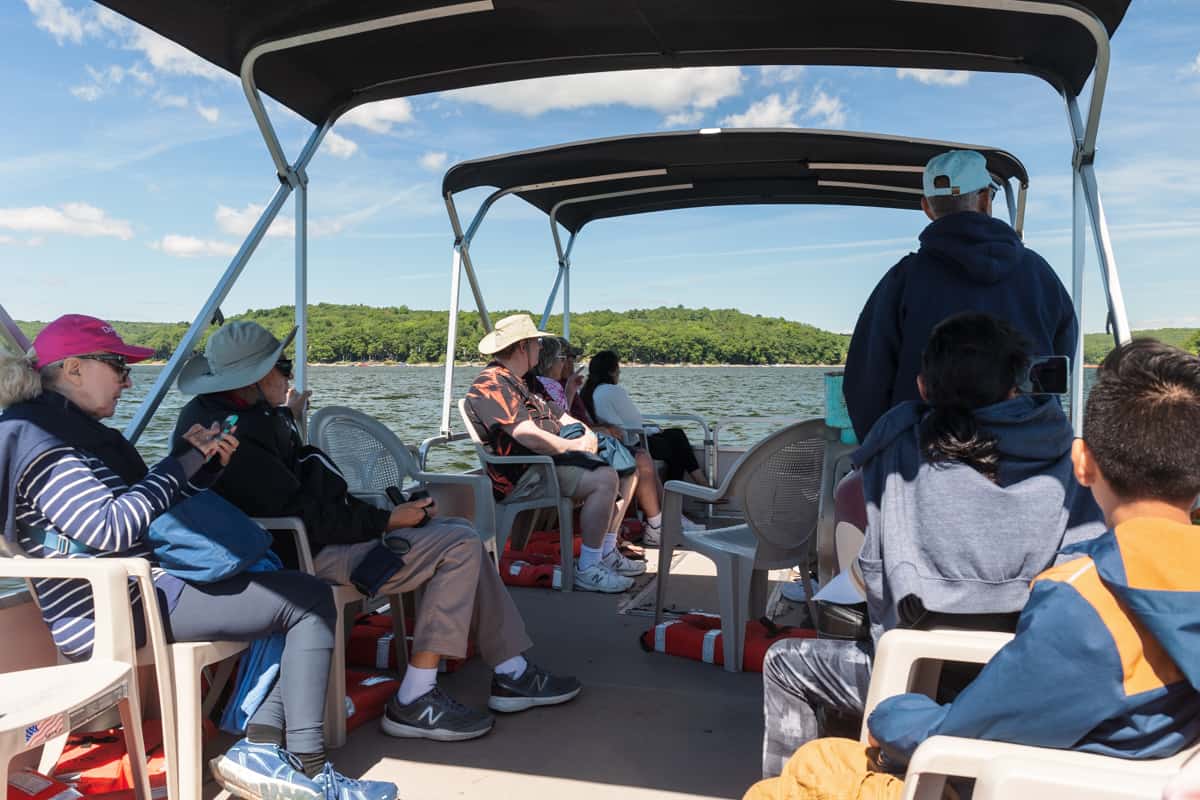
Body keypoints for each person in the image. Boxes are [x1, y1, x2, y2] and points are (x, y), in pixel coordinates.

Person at [746, 338, 1200, 800]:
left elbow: (968, 726)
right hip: (1135, 769)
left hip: (1031, 778)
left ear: (1083, 463)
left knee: (813, 767)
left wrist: (891, 715)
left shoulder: (1085, 603)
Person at [0, 315, 394, 800]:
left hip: (139, 590)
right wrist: (181, 462)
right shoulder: (46, 443)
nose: (127, 381)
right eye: (119, 366)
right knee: (307, 603)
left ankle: (263, 751)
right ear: (74, 368)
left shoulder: (62, 429)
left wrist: (200, 469)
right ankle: (301, 768)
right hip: (111, 610)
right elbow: (110, 527)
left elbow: (143, 511)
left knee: (297, 590)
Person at [173, 320, 580, 743]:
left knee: (457, 531)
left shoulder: (229, 416)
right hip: (302, 555)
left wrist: (288, 418)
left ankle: (511, 670)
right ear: (254, 378)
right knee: (459, 543)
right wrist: (386, 521)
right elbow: (305, 518)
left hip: (309, 539)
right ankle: (416, 698)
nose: (290, 374)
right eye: (285, 366)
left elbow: (293, 495)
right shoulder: (237, 435)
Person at [759, 313, 1105, 779]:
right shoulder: (1070, 459)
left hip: (913, 679)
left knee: (784, 663)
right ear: (1016, 384)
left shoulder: (897, 448)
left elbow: (869, 571)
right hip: (1029, 686)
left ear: (923, 387)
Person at [843, 149, 1077, 443]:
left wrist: (882, 451)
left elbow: (865, 382)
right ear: (984, 200)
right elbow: (1060, 360)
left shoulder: (902, 280)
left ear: (927, 207)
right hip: (1028, 448)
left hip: (928, 451)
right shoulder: (1039, 274)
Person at [463, 314, 644, 593]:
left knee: (627, 469)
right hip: (526, 471)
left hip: (549, 460)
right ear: (522, 346)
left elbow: (561, 415)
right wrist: (574, 447)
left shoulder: (526, 380)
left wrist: (587, 435)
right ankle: (588, 568)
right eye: (537, 341)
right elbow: (527, 436)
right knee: (605, 479)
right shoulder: (492, 384)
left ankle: (606, 551)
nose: (540, 346)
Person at [529, 339, 681, 547]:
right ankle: (613, 541)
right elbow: (563, 426)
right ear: (549, 361)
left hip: (575, 446)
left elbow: (565, 419)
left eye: (569, 358)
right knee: (635, 463)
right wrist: (596, 432)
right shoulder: (549, 387)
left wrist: (572, 393)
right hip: (566, 453)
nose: (568, 363)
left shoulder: (554, 388)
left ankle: (656, 524)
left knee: (642, 458)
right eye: (564, 358)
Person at [581, 350, 708, 544]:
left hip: (614, 442)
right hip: (630, 442)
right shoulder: (612, 391)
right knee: (677, 440)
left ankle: (678, 511)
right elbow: (635, 423)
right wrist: (652, 429)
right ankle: (690, 498)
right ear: (613, 370)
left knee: (675, 439)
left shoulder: (587, 392)